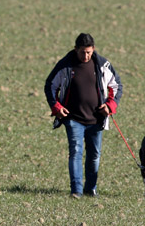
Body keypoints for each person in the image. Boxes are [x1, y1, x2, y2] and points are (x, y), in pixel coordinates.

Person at [44, 33, 122, 199]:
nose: (85, 56)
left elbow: (116, 86)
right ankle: (76, 191)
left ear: (93, 49)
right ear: (75, 49)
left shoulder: (102, 65)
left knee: (94, 156)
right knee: (76, 152)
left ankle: (90, 189)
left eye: (88, 52)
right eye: (82, 52)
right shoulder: (65, 65)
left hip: (96, 119)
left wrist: (110, 106)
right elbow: (50, 85)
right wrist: (57, 107)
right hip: (73, 119)